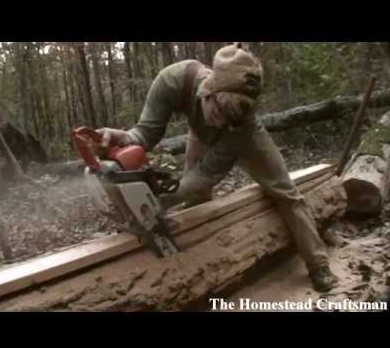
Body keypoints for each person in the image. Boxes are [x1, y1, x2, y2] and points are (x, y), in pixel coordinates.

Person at [97, 43, 339, 292]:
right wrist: (124, 138)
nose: (222, 121)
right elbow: (146, 133)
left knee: (285, 192)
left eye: (230, 116)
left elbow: (205, 174)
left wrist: (161, 199)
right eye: (221, 111)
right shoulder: (172, 80)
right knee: (196, 199)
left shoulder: (238, 124)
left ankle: (318, 264)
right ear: (207, 91)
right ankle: (203, 266)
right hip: (199, 129)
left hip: (244, 137)